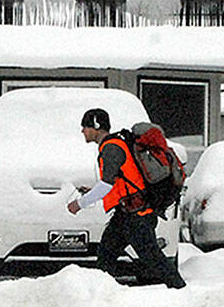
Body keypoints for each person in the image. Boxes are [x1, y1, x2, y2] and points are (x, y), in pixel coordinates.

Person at [67, 107, 186, 289]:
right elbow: (121, 181)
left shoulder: (111, 148)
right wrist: (92, 190)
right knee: (106, 256)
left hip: (136, 216)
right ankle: (99, 294)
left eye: (85, 126)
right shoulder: (116, 145)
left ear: (97, 126)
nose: (82, 130)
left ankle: (181, 290)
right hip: (125, 215)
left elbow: (107, 185)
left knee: (152, 258)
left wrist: (80, 204)